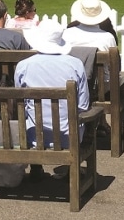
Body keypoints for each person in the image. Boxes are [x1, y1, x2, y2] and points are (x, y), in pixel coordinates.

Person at [17, 21, 90, 152]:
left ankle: (36, 168)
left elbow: (20, 102)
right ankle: (71, 170)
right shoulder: (75, 64)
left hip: (32, 135)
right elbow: (82, 106)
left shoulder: (23, 66)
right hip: (69, 137)